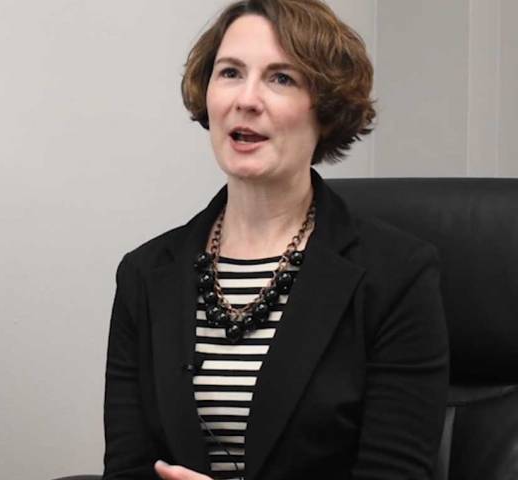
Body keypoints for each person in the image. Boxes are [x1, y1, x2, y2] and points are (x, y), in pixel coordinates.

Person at [103, 1, 449, 479]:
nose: (246, 99)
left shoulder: (397, 276)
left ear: (326, 108)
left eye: (281, 78)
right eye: (230, 73)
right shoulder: (145, 274)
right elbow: (128, 468)